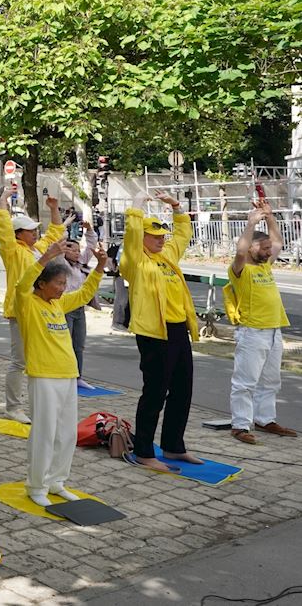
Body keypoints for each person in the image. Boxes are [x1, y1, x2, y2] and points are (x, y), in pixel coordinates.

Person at [15, 240, 108, 507]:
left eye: (63, 283)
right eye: (57, 283)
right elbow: (23, 284)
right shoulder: (28, 302)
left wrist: (100, 266)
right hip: (43, 376)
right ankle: (36, 485)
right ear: (42, 284)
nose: (62, 288)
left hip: (67, 375)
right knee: (44, 432)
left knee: (67, 433)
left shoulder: (58, 304)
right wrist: (46, 257)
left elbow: (84, 293)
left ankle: (56, 481)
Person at [121, 192, 202, 472]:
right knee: (155, 391)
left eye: (161, 235)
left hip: (178, 330)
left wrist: (176, 206)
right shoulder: (134, 262)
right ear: (142, 237)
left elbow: (182, 233)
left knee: (182, 389)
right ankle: (144, 451)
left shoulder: (167, 255)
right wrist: (137, 206)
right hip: (154, 333)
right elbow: (130, 236)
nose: (161, 239)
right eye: (154, 235)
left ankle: (173, 446)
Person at [225, 200, 296, 443]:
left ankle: (265, 419)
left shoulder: (265, 266)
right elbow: (240, 251)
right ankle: (240, 425)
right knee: (245, 381)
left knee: (271, 380)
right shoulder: (241, 269)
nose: (269, 251)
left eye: (268, 248)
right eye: (263, 248)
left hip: (274, 330)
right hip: (252, 331)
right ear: (252, 247)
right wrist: (250, 224)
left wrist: (270, 216)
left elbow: (278, 242)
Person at [0, 191, 65, 423]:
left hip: (42, 308)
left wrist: (54, 208)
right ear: (17, 234)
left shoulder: (35, 249)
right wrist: (3, 200)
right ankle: (12, 407)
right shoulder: (12, 250)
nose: (35, 234)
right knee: (19, 360)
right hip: (22, 309)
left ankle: (37, 401)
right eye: (30, 231)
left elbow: (55, 233)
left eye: (36, 230)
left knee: (36, 356)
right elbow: (3, 229)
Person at [59, 221, 98, 389]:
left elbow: (90, 246)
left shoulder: (80, 264)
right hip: (65, 307)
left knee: (79, 344)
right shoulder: (60, 264)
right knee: (65, 344)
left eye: (77, 250)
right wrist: (64, 229)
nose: (76, 253)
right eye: (71, 250)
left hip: (79, 308)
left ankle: (78, 376)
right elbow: (57, 243)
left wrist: (89, 230)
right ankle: (64, 375)